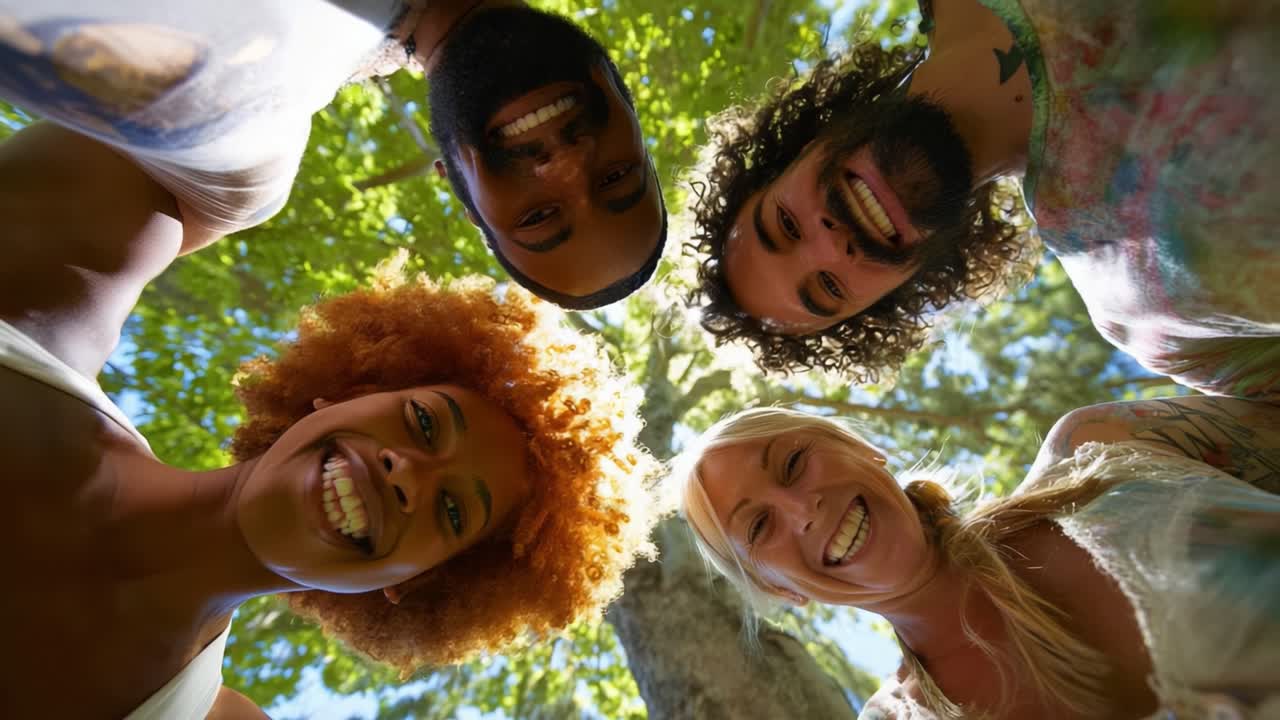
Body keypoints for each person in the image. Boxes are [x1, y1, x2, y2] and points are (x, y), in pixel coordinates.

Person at [0, 122, 658, 718]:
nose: (408, 474)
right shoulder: (53, 282)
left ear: (411, 583)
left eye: (454, 512)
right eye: (424, 423)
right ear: (346, 392)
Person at [684, 0, 1279, 396]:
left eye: (786, 225)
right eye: (830, 289)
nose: (831, 245)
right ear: (898, 293)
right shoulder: (1144, 305)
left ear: (796, 147)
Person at [0, 0, 666, 309]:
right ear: (627, 100)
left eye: (540, 217)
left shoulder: (240, 142)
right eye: (616, 177)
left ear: (458, 189)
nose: (567, 166)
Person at [672, 398, 1280, 718]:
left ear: (865, 448)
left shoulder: (1102, 447)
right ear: (780, 591)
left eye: (793, 462)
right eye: (758, 526)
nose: (801, 509)